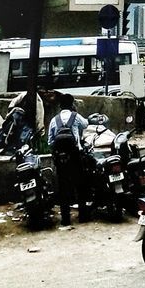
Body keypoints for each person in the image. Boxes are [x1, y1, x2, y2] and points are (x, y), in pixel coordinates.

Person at [48, 93, 87, 224]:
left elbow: (50, 141)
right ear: (72, 104)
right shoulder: (76, 117)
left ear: (60, 106)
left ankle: (65, 219)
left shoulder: (55, 120)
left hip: (61, 159)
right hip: (75, 156)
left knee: (63, 187)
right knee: (81, 185)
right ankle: (82, 216)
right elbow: (86, 124)